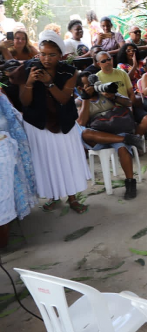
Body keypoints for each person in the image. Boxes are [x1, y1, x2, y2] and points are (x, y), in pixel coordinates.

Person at [9, 31, 91, 214]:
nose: (46, 59)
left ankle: (72, 198)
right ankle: (53, 196)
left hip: (64, 123)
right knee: (46, 162)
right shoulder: (27, 69)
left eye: (52, 55)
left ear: (60, 55)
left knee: (66, 160)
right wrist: (29, 82)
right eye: (43, 54)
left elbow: (63, 99)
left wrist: (49, 83)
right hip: (38, 125)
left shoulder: (69, 72)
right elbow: (25, 101)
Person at [76, 72, 144, 199]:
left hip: (115, 130)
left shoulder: (105, 90)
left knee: (122, 147)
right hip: (99, 135)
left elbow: (129, 103)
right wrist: (85, 98)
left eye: (92, 84)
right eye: (87, 85)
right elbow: (82, 122)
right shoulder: (79, 101)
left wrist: (112, 97)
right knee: (85, 133)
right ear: (81, 88)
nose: (92, 87)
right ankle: (127, 138)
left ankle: (130, 183)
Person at [0, 89, 37, 247]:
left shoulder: (2, 96)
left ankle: (4, 240)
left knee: (5, 199)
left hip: (5, 148)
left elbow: (12, 120)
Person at [95, 51, 147, 139]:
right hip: (110, 110)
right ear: (99, 64)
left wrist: (131, 108)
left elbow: (131, 94)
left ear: (112, 59)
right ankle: (129, 142)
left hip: (127, 105)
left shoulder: (122, 73)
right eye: (103, 61)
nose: (107, 62)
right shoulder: (96, 78)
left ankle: (134, 139)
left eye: (109, 59)